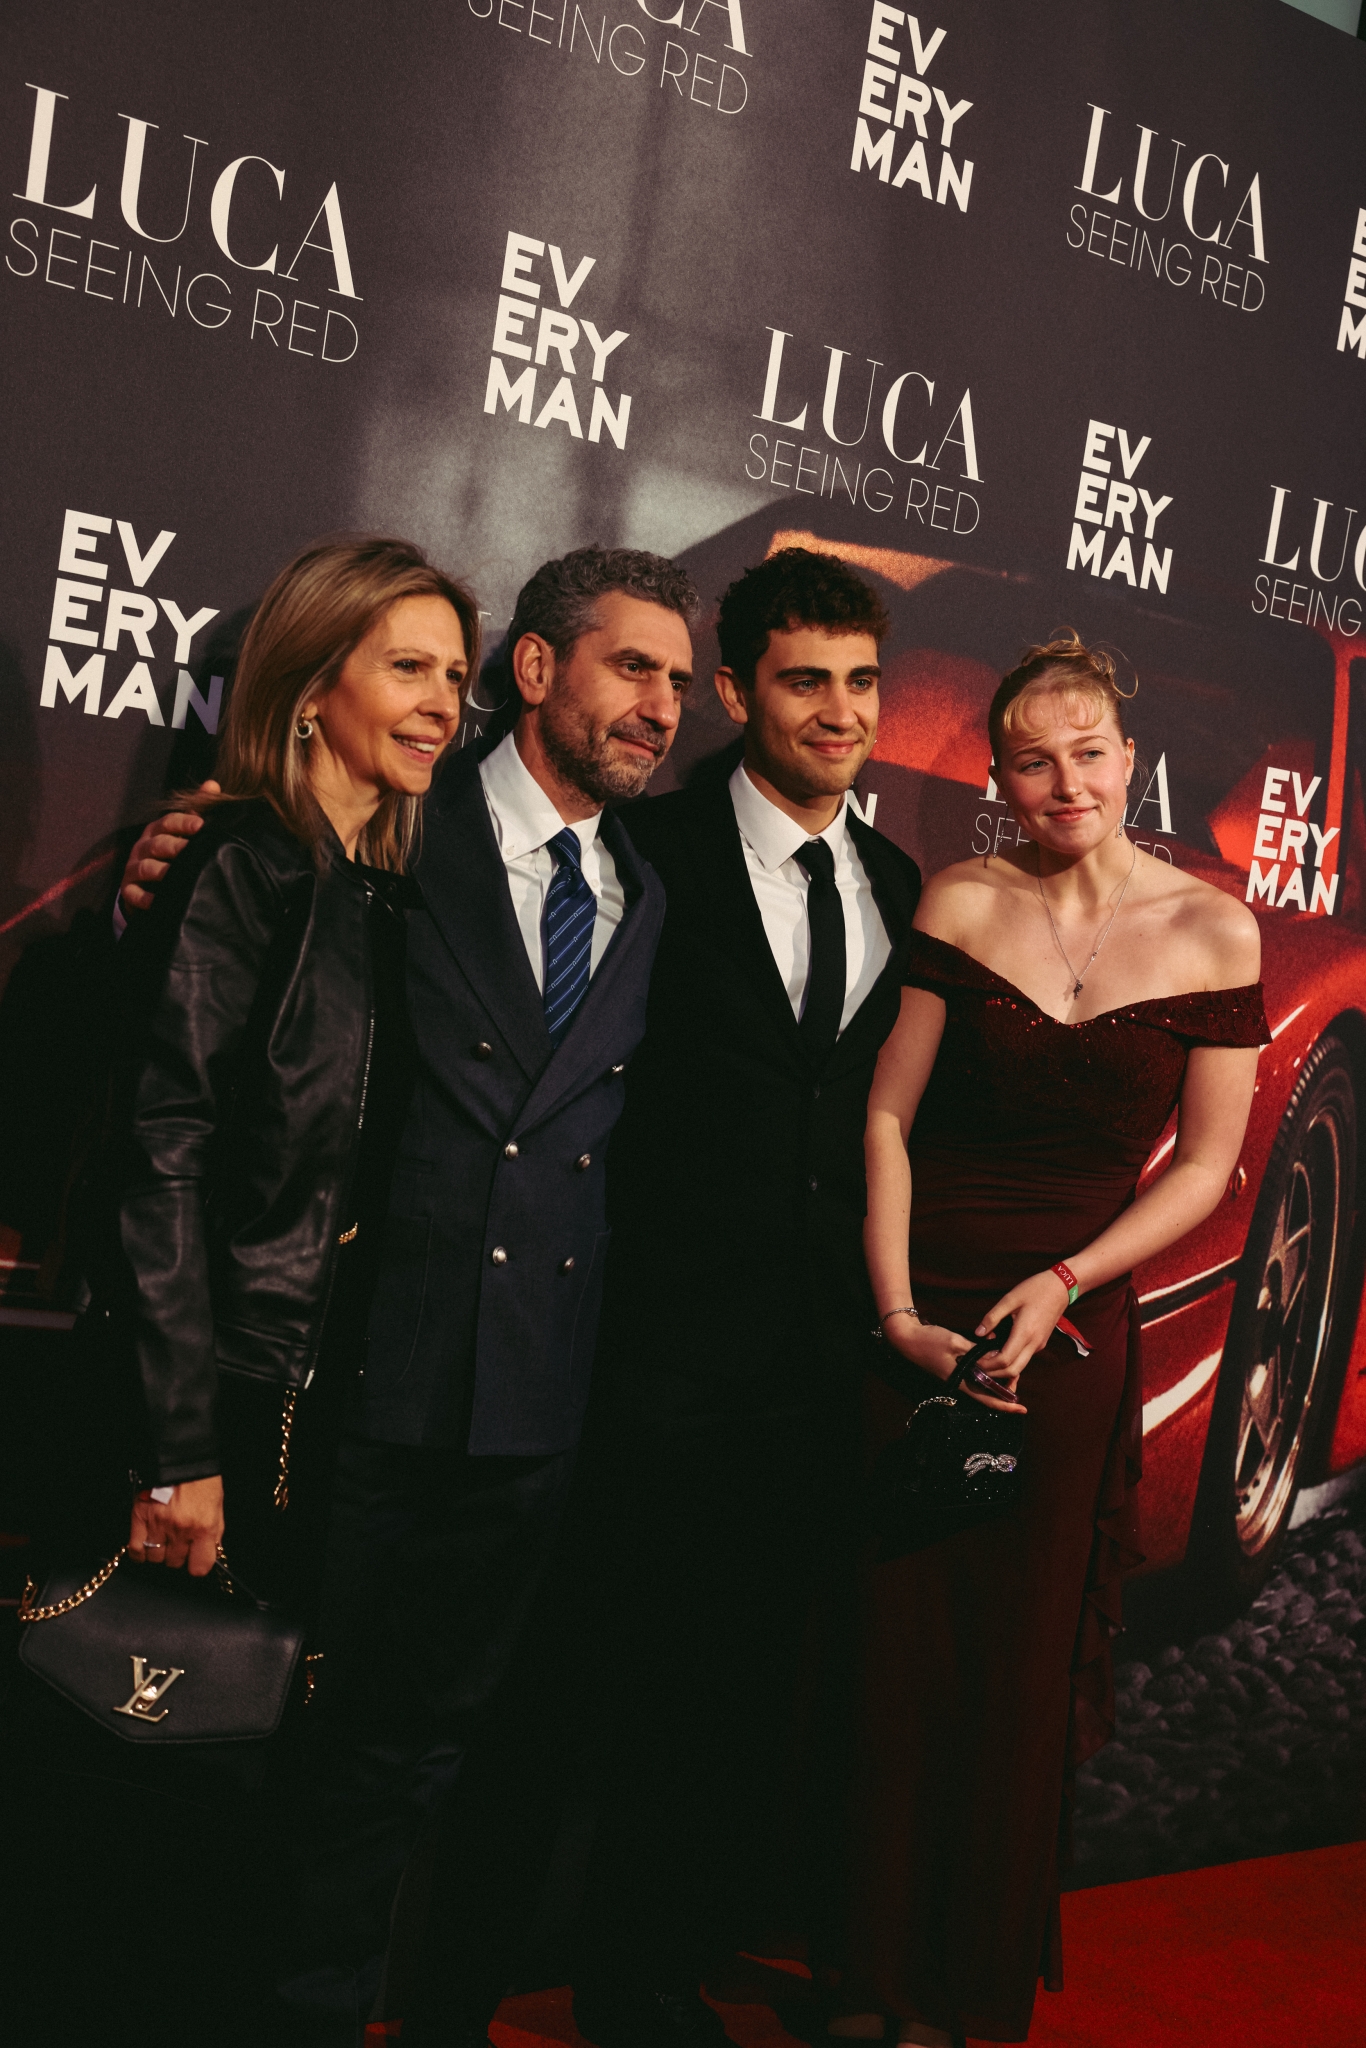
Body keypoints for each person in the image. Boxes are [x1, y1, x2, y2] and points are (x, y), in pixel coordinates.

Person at [118, 544, 696, 2048]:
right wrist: (182, 1434)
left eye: (679, 680)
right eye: (632, 666)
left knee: (403, 1764)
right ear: (538, 670)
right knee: (249, 1752)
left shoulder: (641, 893)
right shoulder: (356, 849)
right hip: (342, 1391)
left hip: (522, 1417)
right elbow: (177, 1140)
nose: (662, 705)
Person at [849, 634, 1268, 2046]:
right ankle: (870, 1974)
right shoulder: (960, 899)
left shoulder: (1214, 928)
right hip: (919, 1309)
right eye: (1032, 760)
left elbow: (1203, 1167)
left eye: (1087, 752)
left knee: (1017, 1658)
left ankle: (957, 1986)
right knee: (895, 1653)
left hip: (1069, 1330)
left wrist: (1067, 1281)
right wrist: (897, 1315)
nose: (1064, 781)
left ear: (1129, 759)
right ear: (998, 777)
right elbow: (887, 1113)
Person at [572, 548, 922, 2048]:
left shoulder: (898, 881)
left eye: (860, 682)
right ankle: (616, 1983)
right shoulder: (643, 850)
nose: (839, 712)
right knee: (624, 1681)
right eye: (804, 681)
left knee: (748, 1687)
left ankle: (685, 1956)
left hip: (816, 1365)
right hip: (650, 1351)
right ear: (733, 690)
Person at [102, 534, 475, 1606]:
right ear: (312, 688)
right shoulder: (238, 863)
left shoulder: (378, 897)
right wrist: (177, 1445)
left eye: (456, 677)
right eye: (408, 667)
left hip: (311, 1400)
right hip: (210, 1392)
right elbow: (159, 1157)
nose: (442, 705)